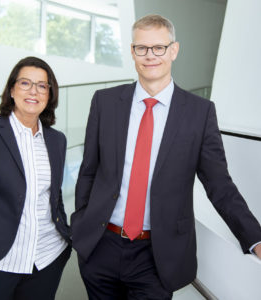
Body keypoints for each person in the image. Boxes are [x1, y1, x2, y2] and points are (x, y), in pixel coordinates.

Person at [71, 14, 261, 299]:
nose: (150, 56)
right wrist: (82, 222)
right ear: (133, 52)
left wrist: (254, 237)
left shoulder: (200, 112)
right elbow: (89, 170)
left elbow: (219, 184)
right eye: (142, 48)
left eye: (158, 47)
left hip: (157, 256)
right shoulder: (105, 102)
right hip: (101, 248)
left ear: (174, 50)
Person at [0, 56, 71, 300]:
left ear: (49, 94)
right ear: (11, 90)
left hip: (46, 259)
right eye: (25, 83)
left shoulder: (57, 140)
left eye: (42, 85)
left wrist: (66, 238)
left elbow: (54, 196)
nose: (34, 91)